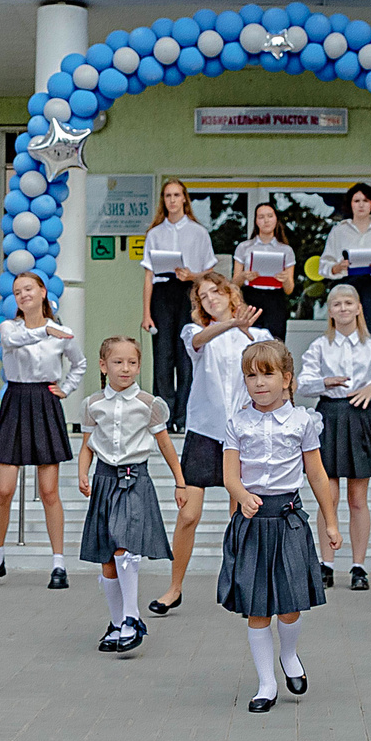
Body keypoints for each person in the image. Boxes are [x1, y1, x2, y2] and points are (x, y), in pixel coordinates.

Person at [221, 341, 337, 709]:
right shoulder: (237, 422)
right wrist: (241, 494)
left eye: (267, 374)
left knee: (289, 606)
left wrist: (331, 522)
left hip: (288, 520)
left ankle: (289, 655)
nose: (259, 383)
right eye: (251, 375)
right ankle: (266, 684)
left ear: (286, 378)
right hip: (254, 521)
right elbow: (229, 474)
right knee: (257, 608)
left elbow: (317, 475)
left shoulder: (303, 422)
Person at [154, 272, 269, 615]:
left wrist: (243, 328)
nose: (210, 299)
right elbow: (201, 339)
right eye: (203, 297)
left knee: (239, 514)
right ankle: (174, 588)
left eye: (215, 292)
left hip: (243, 433)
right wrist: (232, 323)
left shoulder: (258, 334)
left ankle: (238, 582)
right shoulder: (195, 333)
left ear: (230, 293)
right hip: (204, 431)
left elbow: (267, 363)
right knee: (189, 513)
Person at [0, 272, 85, 590]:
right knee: (5, 489)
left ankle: (58, 562)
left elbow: (78, 363)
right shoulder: (10, 327)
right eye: (17, 291)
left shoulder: (61, 332)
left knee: (49, 490)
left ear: (42, 291)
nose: (23, 295)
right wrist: (44, 330)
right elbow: (11, 341)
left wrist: (66, 388)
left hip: (44, 400)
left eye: (28, 289)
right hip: (15, 400)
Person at [77, 335, 180, 654]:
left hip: (134, 480)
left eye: (132, 362)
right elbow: (87, 445)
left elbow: (165, 444)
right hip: (105, 481)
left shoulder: (149, 404)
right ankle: (117, 621)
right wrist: (83, 472)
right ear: (103, 366)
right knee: (107, 558)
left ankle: (133, 618)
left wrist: (180, 481)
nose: (125, 368)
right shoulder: (93, 404)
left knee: (125, 547)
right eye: (118, 362)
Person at [298, 283, 371, 590]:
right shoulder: (319, 346)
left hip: (359, 418)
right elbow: (302, 383)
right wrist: (324, 382)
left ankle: (358, 566)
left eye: (348, 303)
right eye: (336, 304)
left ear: (358, 308)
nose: (343, 308)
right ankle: (326, 563)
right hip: (329, 415)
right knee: (328, 497)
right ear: (329, 311)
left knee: (358, 499)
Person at [140, 178, 216, 430]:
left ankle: (183, 418)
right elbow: (149, 276)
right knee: (163, 357)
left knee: (187, 356)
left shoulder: (198, 232)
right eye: (167, 196)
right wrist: (146, 312)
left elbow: (209, 272)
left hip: (189, 293)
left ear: (185, 198)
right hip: (162, 294)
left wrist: (191, 276)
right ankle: (163, 416)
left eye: (176, 195)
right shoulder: (155, 233)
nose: (172, 200)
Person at [319, 182, 371, 345]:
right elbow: (324, 265)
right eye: (356, 201)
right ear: (350, 204)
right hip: (346, 285)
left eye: (365, 200)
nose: (361, 205)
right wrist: (337, 267)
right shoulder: (339, 231)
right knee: (343, 334)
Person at [236, 200, 297, 314]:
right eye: (261, 217)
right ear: (255, 221)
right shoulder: (244, 247)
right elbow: (234, 284)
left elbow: (289, 290)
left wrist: (285, 279)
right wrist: (244, 276)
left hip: (275, 299)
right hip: (250, 297)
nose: (266, 220)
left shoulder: (286, 250)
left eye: (270, 216)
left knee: (275, 331)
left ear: (276, 219)